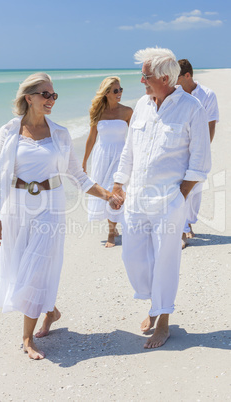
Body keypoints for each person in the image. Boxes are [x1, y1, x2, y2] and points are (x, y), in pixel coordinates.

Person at [0, 72, 121, 360]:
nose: (52, 100)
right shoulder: (9, 131)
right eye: (46, 94)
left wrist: (107, 195)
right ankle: (50, 310)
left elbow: (77, 175)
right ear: (29, 98)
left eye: (54, 95)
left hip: (50, 208)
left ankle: (27, 338)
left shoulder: (60, 133)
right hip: (16, 208)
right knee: (19, 266)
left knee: (36, 268)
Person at [110, 48, 211, 349]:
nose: (141, 80)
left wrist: (179, 197)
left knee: (166, 260)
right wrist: (118, 185)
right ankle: (155, 303)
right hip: (137, 198)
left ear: (164, 77)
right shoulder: (141, 105)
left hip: (168, 201)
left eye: (146, 75)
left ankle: (162, 320)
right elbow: (129, 149)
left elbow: (200, 161)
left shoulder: (192, 108)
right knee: (133, 257)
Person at [82, 77, 132, 247]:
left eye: (121, 89)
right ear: (107, 93)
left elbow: (134, 138)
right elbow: (91, 138)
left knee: (116, 190)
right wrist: (84, 161)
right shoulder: (97, 112)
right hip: (102, 156)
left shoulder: (127, 112)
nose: (119, 93)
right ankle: (113, 225)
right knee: (105, 191)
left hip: (121, 155)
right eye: (115, 91)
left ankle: (111, 232)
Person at [177, 59, 219, 247]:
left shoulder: (207, 95)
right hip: (178, 148)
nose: (173, 81)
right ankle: (182, 226)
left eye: (176, 77)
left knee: (195, 189)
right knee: (179, 187)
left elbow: (211, 125)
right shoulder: (175, 94)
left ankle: (189, 222)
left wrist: (202, 151)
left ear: (187, 76)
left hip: (198, 148)